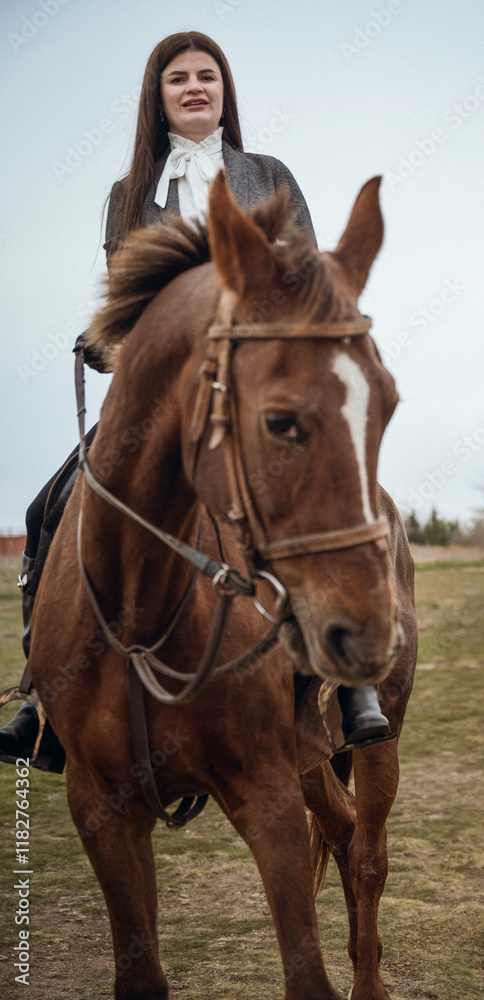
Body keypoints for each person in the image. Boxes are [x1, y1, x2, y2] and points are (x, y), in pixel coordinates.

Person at [0, 31, 390, 772]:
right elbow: (121, 298)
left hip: (254, 390)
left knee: (313, 505)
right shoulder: (127, 196)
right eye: (178, 78)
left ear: (224, 91)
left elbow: (306, 279)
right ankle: (41, 698)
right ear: (158, 97)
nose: (194, 87)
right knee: (46, 507)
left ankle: (346, 690)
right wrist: (106, 343)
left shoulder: (267, 175)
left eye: (206, 76)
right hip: (160, 402)